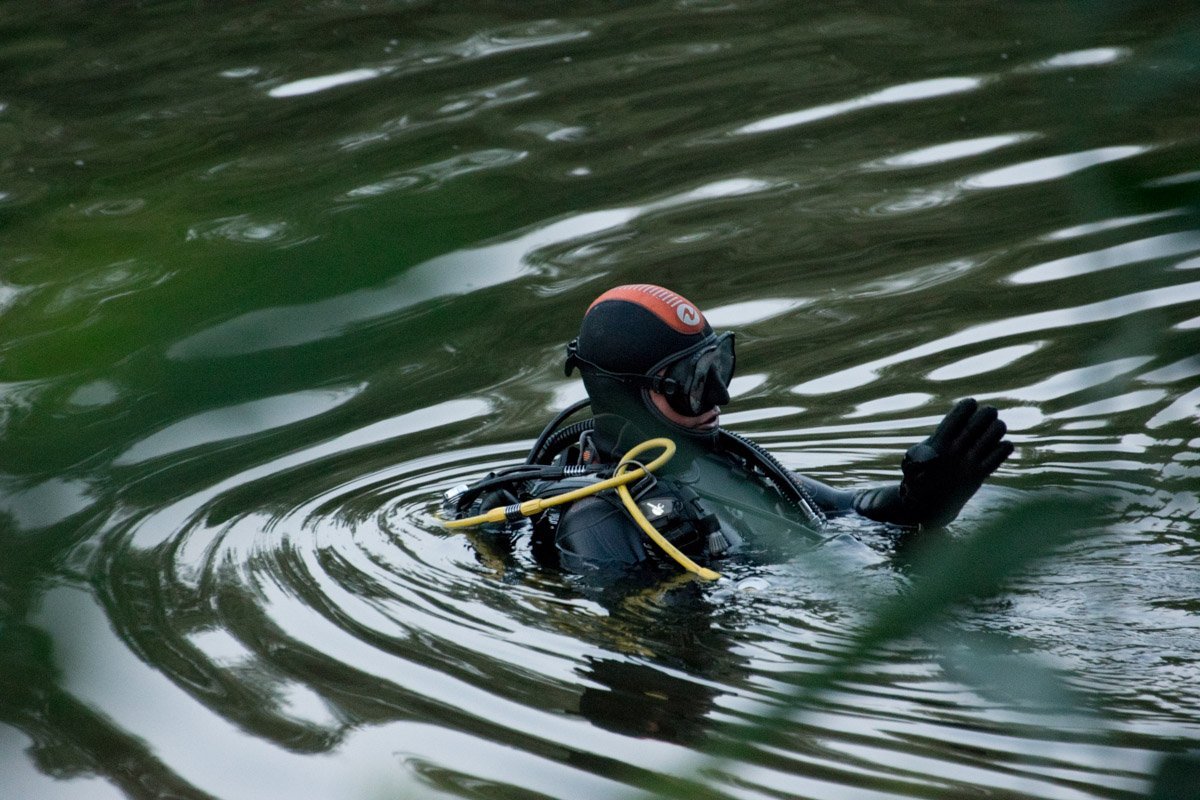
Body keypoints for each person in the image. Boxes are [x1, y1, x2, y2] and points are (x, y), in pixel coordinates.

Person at [445, 284, 1012, 579]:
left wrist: (924, 499)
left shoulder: (727, 460)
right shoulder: (597, 522)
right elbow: (652, 643)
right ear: (628, 393)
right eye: (692, 382)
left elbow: (847, 512)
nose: (719, 399)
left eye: (719, 367)